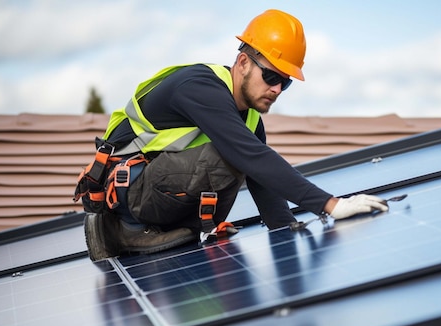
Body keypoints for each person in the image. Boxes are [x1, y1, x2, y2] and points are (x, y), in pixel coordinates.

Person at [76, 9, 388, 262]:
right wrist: (331, 205)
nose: (277, 89)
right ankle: (125, 230)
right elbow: (251, 156)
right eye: (271, 76)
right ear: (242, 63)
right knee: (229, 155)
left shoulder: (250, 117)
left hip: (156, 194)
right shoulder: (200, 88)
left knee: (242, 154)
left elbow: (263, 177)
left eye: (286, 82)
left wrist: (287, 230)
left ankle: (165, 229)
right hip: (127, 194)